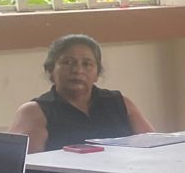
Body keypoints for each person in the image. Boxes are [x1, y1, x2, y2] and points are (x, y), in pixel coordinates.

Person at [11, 34, 154, 152]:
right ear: (50, 71)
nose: (78, 70)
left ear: (97, 73)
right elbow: (25, 167)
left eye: (87, 64)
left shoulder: (120, 103)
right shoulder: (34, 112)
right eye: (68, 62)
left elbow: (155, 148)